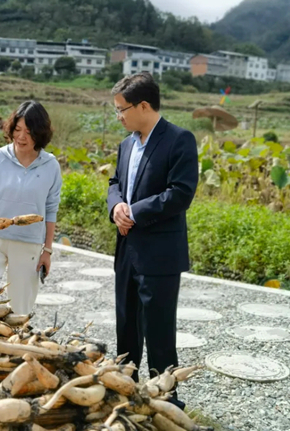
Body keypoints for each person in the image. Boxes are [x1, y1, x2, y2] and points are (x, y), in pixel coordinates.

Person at [107, 73, 199, 409]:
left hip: (160, 254)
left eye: (122, 109)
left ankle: (166, 401)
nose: (119, 116)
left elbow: (181, 193)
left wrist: (134, 211)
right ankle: (126, 393)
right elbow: (115, 183)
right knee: (126, 327)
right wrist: (116, 206)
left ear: (144, 106)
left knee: (159, 333)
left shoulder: (179, 139)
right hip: (127, 249)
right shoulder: (127, 144)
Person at [0, 101, 62, 315]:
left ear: (40, 133)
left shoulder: (51, 166)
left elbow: (51, 210)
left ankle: (17, 337)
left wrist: (47, 250)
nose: (21, 137)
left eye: (29, 132)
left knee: (20, 307)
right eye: (17, 129)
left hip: (28, 243)